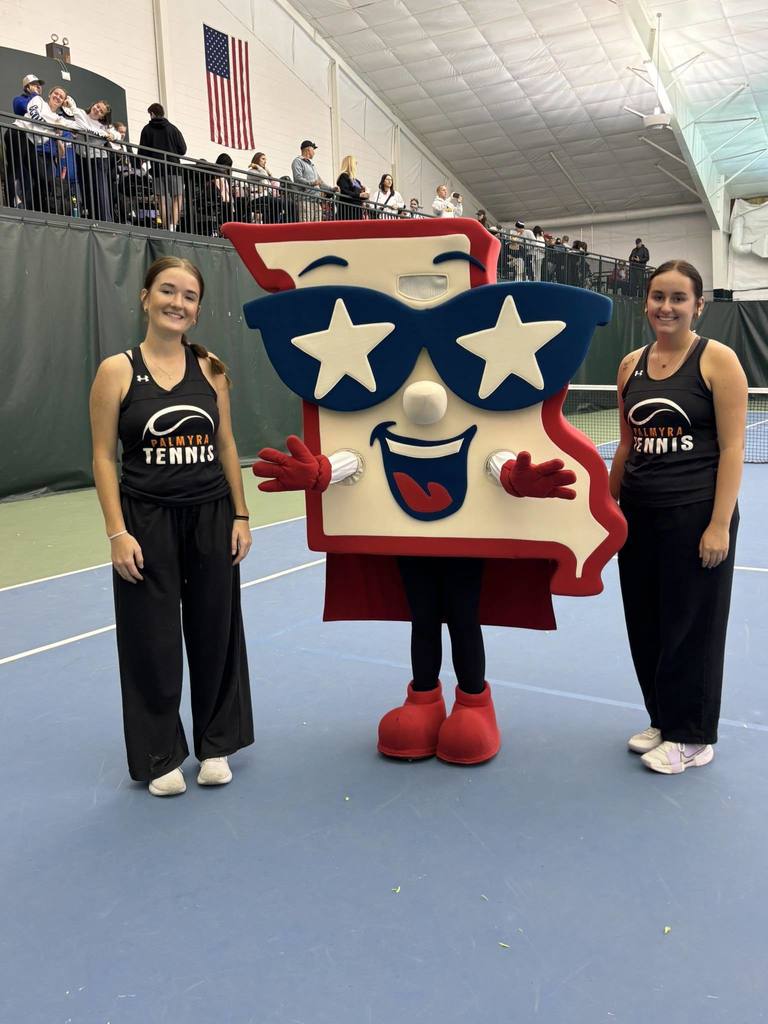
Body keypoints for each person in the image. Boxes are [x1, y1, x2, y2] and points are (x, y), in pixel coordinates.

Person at [89, 256, 254, 796]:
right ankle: (159, 753)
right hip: (145, 522)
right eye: (167, 291)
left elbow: (227, 446)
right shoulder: (117, 370)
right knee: (151, 640)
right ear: (145, 297)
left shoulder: (212, 369)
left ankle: (215, 745)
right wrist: (117, 532)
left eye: (188, 296)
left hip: (210, 518)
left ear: (197, 309)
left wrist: (241, 514)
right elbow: (103, 457)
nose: (177, 303)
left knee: (216, 632)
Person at [610, 260, 747, 775]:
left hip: (696, 514)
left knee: (693, 626)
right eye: (657, 297)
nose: (666, 307)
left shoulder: (719, 361)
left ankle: (693, 736)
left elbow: (734, 448)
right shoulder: (629, 365)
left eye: (678, 298)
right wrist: (606, 508)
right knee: (646, 623)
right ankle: (664, 718)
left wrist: (719, 524)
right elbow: (626, 445)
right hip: (640, 516)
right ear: (646, 302)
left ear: (697, 306)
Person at [138, 103, 187, 230]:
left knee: (162, 200)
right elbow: (183, 149)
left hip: (157, 170)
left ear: (152, 114)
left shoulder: (147, 129)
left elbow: (142, 152)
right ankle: (173, 226)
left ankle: (165, 227)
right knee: (178, 197)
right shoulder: (173, 129)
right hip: (174, 168)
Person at [291, 140, 333, 221]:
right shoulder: (297, 161)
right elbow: (298, 178)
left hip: (316, 201)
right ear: (308, 150)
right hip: (305, 200)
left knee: (317, 229)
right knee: (306, 227)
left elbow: (320, 182)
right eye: (313, 150)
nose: (314, 152)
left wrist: (331, 189)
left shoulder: (312, 165)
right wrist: (312, 183)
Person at [336, 154, 369, 219]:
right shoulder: (344, 176)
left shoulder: (357, 181)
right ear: (350, 164)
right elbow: (345, 191)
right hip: (347, 210)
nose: (356, 165)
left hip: (357, 210)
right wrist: (359, 195)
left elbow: (360, 195)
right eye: (355, 163)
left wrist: (366, 194)